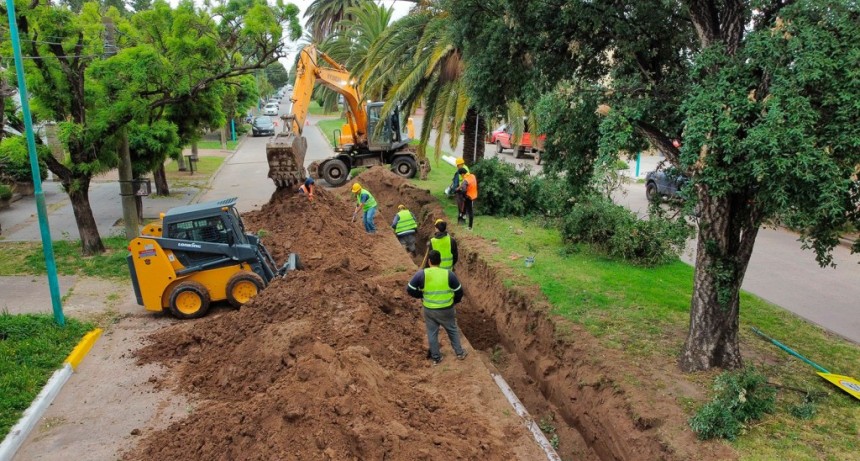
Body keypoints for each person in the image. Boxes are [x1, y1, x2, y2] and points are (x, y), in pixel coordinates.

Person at [407, 250, 467, 365]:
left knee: (432, 332)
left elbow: (410, 289)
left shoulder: (421, 274)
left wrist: (421, 295)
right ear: (440, 261)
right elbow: (459, 291)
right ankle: (460, 353)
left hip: (429, 309)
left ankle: (436, 357)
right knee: (452, 330)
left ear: (429, 261)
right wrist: (454, 301)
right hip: (446, 309)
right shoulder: (449, 274)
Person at [449, 158, 469, 223]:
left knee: (463, 204)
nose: (457, 166)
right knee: (459, 203)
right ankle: (460, 215)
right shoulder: (459, 169)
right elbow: (456, 177)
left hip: (463, 190)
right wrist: (451, 184)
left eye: (458, 165)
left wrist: (458, 188)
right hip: (459, 189)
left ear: (461, 164)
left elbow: (465, 182)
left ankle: (463, 217)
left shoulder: (465, 170)